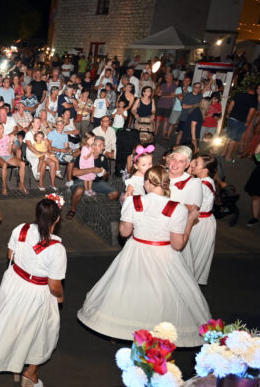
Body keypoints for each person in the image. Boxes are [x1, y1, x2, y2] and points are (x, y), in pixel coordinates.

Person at [78, 166, 209, 346]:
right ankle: (158, 335)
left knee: (127, 292)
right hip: (164, 256)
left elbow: (124, 232)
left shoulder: (134, 202)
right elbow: (178, 244)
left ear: (147, 183)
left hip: (136, 251)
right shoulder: (176, 208)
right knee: (161, 296)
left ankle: (117, 329)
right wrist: (190, 221)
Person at [0, 198, 66, 387]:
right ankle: (29, 373)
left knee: (11, 323)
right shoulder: (57, 249)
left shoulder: (21, 229)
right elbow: (54, 283)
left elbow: (11, 255)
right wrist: (59, 296)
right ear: (57, 220)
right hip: (36, 291)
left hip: (14, 282)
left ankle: (14, 364)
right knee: (43, 332)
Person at [66, 136, 120, 221]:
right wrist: (91, 170)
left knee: (115, 193)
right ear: (93, 146)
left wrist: (103, 173)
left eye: (103, 145)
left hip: (97, 182)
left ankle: (100, 207)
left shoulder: (103, 158)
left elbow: (106, 178)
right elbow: (74, 173)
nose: (103, 147)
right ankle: (73, 209)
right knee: (79, 189)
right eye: (100, 145)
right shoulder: (83, 156)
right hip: (82, 180)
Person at [168, 146, 203, 271]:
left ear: (187, 164)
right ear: (169, 159)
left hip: (177, 232)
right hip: (156, 232)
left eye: (181, 161)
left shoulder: (193, 183)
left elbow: (192, 211)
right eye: (173, 159)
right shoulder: (159, 176)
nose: (175, 163)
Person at [188, 154, 218, 284]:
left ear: (205, 170)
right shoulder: (201, 181)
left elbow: (191, 206)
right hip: (200, 221)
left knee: (194, 255)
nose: (193, 165)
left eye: (197, 164)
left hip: (200, 223)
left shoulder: (202, 185)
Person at [0, 122, 27, 195]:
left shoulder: (6, 137)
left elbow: (9, 151)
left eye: (3, 128)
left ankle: (21, 185)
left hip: (7, 155)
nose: (2, 130)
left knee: (22, 163)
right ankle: (4, 187)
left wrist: (11, 142)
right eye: (0, 128)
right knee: (4, 164)